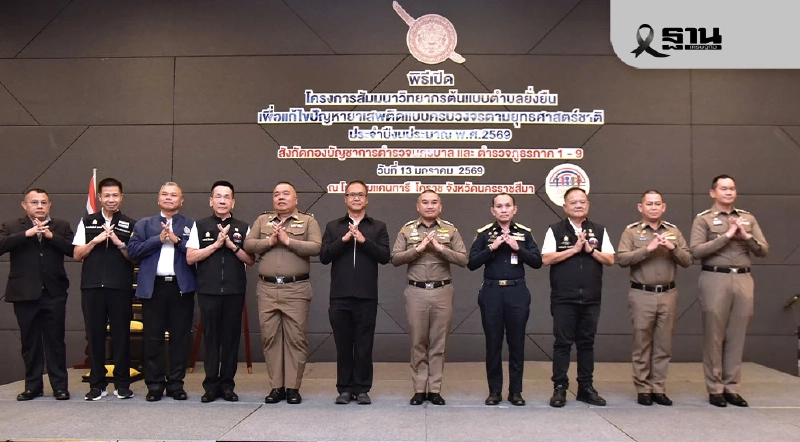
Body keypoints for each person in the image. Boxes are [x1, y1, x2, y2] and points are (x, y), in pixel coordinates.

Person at [690, 174, 768, 407]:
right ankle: (715, 388)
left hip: (743, 278)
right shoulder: (703, 219)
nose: (728, 192)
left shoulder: (747, 218)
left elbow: (763, 250)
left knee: (737, 335)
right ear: (713, 193)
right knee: (714, 335)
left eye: (732, 188)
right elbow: (696, 251)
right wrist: (726, 237)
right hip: (715, 277)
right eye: (723, 188)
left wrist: (746, 237)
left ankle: (731, 387)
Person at [244, 181, 321, 405]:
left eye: (286, 194)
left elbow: (317, 247)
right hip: (267, 289)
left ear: (295, 199)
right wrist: (269, 241)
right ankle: (277, 387)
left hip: (296, 289)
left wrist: (289, 241)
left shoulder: (308, 221)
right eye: (276, 194)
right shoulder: (262, 221)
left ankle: (293, 387)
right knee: (270, 338)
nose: (280, 197)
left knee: (296, 339)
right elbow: (249, 245)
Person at [391, 189, 467, 406]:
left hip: (443, 291)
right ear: (418, 206)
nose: (430, 206)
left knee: (438, 342)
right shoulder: (407, 230)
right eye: (425, 202)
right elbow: (395, 258)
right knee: (418, 342)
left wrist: (440, 249)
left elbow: (463, 259)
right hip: (416, 292)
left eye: (434, 202)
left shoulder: (450, 230)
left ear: (440, 207)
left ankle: (434, 390)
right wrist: (419, 249)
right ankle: (418, 389)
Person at [616, 190, 692, 406]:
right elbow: (621, 259)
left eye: (657, 204)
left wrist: (672, 248)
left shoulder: (673, 232)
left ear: (663, 207)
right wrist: (647, 249)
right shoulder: (631, 232)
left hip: (668, 293)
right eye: (649, 204)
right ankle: (643, 388)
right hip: (642, 294)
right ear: (641, 207)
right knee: (642, 342)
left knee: (663, 344)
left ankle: (658, 387)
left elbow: (687, 260)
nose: (653, 207)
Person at [541, 187, 614, 408]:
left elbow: (610, 259)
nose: (578, 205)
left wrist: (590, 251)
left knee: (586, 344)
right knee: (562, 344)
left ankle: (586, 388)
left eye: (582, 201)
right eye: (573, 202)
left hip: (591, 298)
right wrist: (573, 250)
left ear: (588, 205)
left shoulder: (599, 231)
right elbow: (546, 258)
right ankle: (560, 388)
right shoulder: (555, 230)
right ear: (565, 207)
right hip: (564, 298)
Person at [467, 193, 542, 406]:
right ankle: (495, 392)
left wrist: (519, 248)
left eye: (507, 206)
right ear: (493, 211)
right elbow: (471, 263)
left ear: (514, 209)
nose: (503, 210)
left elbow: (537, 262)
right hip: (491, 292)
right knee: (493, 343)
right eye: (499, 206)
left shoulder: (524, 233)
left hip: (516, 291)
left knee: (516, 343)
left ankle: (516, 392)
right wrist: (492, 247)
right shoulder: (484, 234)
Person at [320, 180, 390, 405]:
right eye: (351, 194)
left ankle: (362, 389)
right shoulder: (333, 226)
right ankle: (344, 388)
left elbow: (384, 256)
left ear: (367, 199)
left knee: (363, 345)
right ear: (345, 199)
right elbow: (324, 256)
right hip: (339, 296)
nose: (356, 198)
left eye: (360, 194)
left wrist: (362, 240)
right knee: (343, 345)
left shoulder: (378, 226)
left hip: (366, 296)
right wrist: (344, 240)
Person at [0, 188, 74, 401]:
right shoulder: (13, 226)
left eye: (43, 202)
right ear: (25, 205)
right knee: (30, 342)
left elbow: (72, 250)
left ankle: (60, 386)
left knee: (55, 341)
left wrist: (51, 236)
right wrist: (27, 234)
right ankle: (33, 387)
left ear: (49, 205)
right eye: (34, 202)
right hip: (24, 293)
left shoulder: (60, 226)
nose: (39, 206)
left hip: (54, 292)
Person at [127, 182, 196, 402]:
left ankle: (176, 384)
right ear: (158, 199)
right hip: (153, 288)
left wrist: (176, 241)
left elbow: (197, 252)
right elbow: (133, 250)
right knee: (153, 338)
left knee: (180, 338)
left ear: (181, 200)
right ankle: (154, 385)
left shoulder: (190, 225)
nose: (169, 198)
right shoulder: (144, 224)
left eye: (173, 195)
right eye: (164, 195)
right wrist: (158, 239)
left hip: (181, 288)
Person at [186, 180, 254, 403]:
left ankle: (227, 385)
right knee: (211, 339)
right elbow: (190, 257)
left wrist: (232, 246)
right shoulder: (200, 225)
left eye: (227, 197)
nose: (222, 201)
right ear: (211, 200)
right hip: (208, 290)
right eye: (218, 196)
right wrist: (215, 245)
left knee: (231, 339)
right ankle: (211, 385)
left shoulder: (243, 227)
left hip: (234, 291)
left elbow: (251, 259)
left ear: (233, 201)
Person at [73, 178, 137, 400]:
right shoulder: (87, 222)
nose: (111, 199)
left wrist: (119, 243)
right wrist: (95, 241)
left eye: (115, 195)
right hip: (92, 287)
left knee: (121, 336)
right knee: (95, 335)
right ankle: (97, 384)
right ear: (99, 197)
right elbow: (77, 254)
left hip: (119, 287)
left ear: (122, 197)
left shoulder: (130, 224)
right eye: (107, 195)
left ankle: (122, 384)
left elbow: (134, 257)